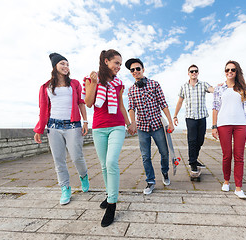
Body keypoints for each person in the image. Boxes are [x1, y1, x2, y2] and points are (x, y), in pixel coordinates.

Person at [84, 49, 133, 227]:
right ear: (106, 61)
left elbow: (120, 104)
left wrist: (129, 123)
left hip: (117, 126)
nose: (119, 67)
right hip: (99, 128)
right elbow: (89, 103)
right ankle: (108, 194)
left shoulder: (119, 83)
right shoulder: (92, 78)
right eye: (116, 63)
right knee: (104, 165)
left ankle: (112, 204)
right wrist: (95, 83)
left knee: (111, 162)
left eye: (120, 64)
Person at [34, 53, 89, 206]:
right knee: (59, 160)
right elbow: (43, 109)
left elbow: (81, 103)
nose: (66, 67)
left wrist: (85, 121)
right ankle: (65, 188)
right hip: (53, 126)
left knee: (77, 156)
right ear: (55, 66)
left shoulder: (75, 84)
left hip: (73, 125)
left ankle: (83, 176)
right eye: (62, 64)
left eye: (67, 64)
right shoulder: (45, 87)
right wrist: (39, 129)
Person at [126, 58, 174, 195]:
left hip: (157, 125)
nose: (135, 71)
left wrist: (170, 122)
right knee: (145, 156)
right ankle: (150, 181)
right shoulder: (131, 90)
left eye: (137, 69)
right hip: (142, 128)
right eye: (132, 70)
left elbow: (163, 104)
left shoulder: (154, 84)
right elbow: (131, 108)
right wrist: (132, 123)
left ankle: (165, 172)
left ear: (143, 70)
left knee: (164, 153)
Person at [212, 60, 246, 199]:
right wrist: (214, 126)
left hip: (241, 124)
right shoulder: (219, 88)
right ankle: (226, 181)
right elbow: (215, 108)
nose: (229, 72)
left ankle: (238, 188)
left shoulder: (243, 88)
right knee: (227, 155)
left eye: (232, 70)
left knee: (239, 156)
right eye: (227, 70)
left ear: (237, 72)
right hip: (223, 124)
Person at [173, 64, 214, 173]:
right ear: (188, 73)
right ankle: (192, 163)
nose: (194, 73)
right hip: (190, 118)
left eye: (196, 71)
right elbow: (180, 102)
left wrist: (219, 88)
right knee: (192, 141)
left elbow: (211, 89)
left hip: (202, 117)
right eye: (191, 71)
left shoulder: (203, 84)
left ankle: (194, 160)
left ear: (198, 73)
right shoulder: (184, 87)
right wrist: (175, 115)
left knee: (200, 140)